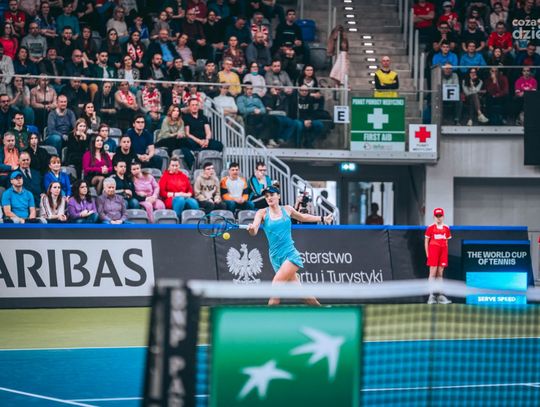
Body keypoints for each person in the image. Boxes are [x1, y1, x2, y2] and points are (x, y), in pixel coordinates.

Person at [247, 185, 333, 305]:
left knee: (275, 287)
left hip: (290, 254)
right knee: (302, 295)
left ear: (278, 196)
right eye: (266, 196)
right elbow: (254, 230)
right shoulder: (262, 213)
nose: (269, 198)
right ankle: (322, 311)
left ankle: (268, 316)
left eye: (272, 195)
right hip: (275, 257)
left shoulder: (287, 209)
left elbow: (303, 217)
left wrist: (323, 218)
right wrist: (251, 229)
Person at [425, 207, 452, 304]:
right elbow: (426, 241)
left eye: (440, 216)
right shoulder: (430, 227)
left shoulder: (446, 228)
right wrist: (428, 254)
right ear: (434, 217)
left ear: (443, 216)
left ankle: (440, 296)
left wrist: (444, 253)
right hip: (433, 252)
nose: (439, 218)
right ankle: (431, 296)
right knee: (432, 273)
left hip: (443, 252)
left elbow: (446, 241)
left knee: (440, 274)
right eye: (437, 216)